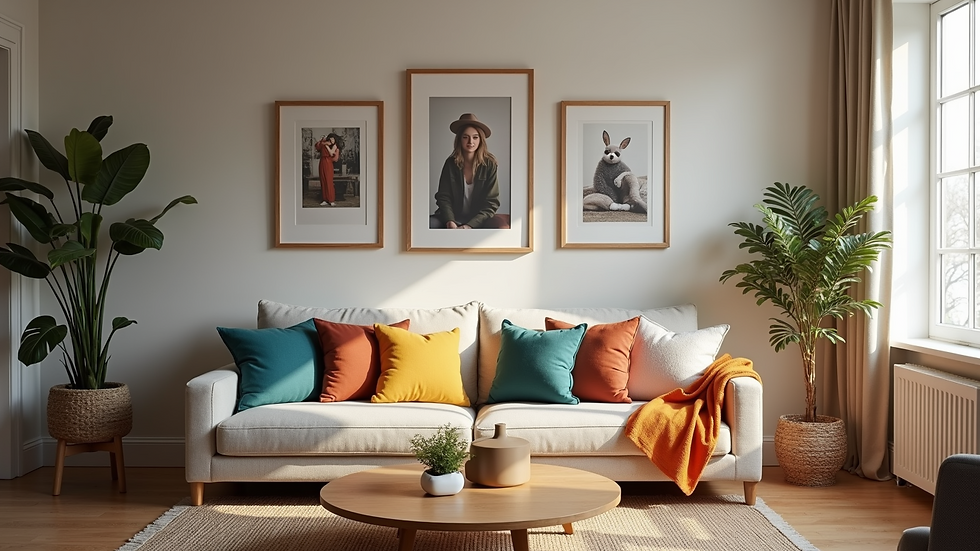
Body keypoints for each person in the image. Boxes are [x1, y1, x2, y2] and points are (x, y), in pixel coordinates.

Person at [430, 113, 508, 229]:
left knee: (501, 227)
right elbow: (443, 197)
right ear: (459, 140)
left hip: (479, 219)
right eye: (465, 137)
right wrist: (450, 221)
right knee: (429, 225)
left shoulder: (489, 164)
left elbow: (491, 203)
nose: (470, 141)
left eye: (475, 137)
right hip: (452, 217)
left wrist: (470, 225)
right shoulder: (450, 163)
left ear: (480, 140)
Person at [315, 133, 342, 206]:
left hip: (328, 162)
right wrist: (322, 141)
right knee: (323, 181)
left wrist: (326, 145)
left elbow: (331, 153)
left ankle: (331, 199)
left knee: (329, 181)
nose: (332, 140)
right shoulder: (325, 144)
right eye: (331, 138)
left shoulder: (335, 146)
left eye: (333, 139)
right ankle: (325, 199)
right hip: (322, 162)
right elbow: (317, 146)